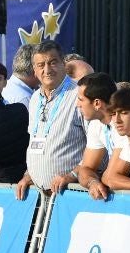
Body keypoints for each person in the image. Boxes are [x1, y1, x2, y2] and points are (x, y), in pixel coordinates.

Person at [13, 41, 84, 200]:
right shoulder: (34, 99)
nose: (47, 70)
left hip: (70, 194)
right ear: (34, 70)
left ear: (63, 64)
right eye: (41, 65)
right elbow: (34, 141)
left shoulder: (79, 95)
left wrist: (73, 175)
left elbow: (97, 145)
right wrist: (29, 175)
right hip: (39, 195)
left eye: (52, 62)